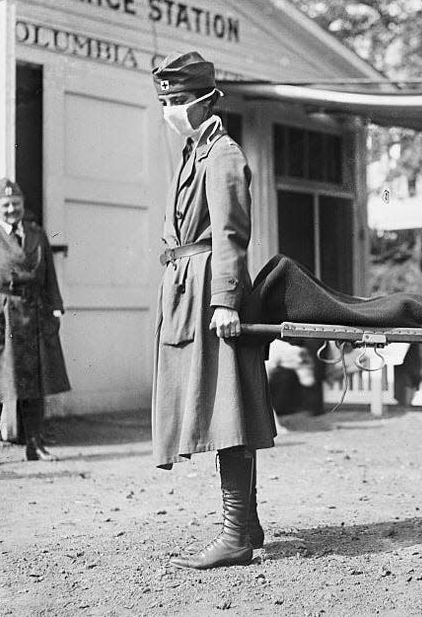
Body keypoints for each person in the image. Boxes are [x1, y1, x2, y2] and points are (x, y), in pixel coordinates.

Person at [151, 52, 276, 569]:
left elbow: (230, 233)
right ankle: (246, 525)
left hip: (209, 293)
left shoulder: (222, 154)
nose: (170, 110)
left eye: (178, 101)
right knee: (217, 408)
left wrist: (226, 300)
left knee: (227, 411)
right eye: (164, 101)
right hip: (186, 290)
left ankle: (235, 536)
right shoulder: (193, 152)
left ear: (206, 100)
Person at [0, 178, 70, 466]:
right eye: (6, 205)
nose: (12, 209)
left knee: (34, 384)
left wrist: (56, 308)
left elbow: (49, 276)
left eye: (16, 204)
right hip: (1, 317)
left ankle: (34, 445)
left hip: (34, 314)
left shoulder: (37, 234)